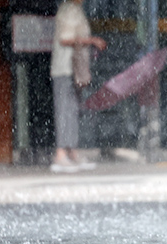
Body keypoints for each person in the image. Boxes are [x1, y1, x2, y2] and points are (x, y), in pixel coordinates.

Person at [50, 0, 106, 173]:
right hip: (65, 67)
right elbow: (64, 39)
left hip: (72, 70)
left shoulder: (76, 9)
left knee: (72, 109)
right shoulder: (68, 9)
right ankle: (61, 154)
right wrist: (91, 41)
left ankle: (71, 152)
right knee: (65, 109)